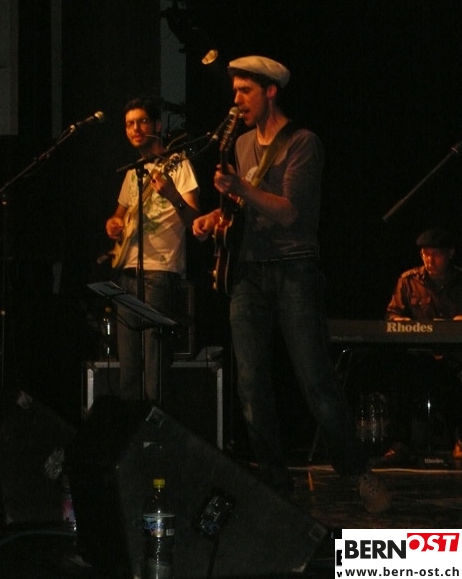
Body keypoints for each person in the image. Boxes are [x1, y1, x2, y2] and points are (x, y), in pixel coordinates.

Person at [192, 55, 390, 513]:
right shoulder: (241, 143)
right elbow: (240, 209)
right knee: (250, 384)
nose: (237, 100)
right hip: (247, 272)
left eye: (245, 91)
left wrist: (240, 189)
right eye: (234, 91)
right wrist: (213, 217)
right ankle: (274, 486)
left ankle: (357, 470)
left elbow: (288, 212)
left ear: (271, 92)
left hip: (294, 268)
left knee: (316, 381)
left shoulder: (303, 142)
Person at [105, 97, 200, 405]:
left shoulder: (179, 163)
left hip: (159, 272)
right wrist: (113, 224)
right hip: (127, 273)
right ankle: (132, 429)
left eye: (141, 121)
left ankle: (157, 428)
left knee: (155, 368)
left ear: (157, 125)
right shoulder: (132, 172)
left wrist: (172, 194)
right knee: (129, 370)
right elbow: (119, 215)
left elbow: (195, 220)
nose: (135, 128)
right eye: (129, 124)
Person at [382, 227, 462, 463]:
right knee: (398, 372)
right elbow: (392, 315)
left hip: (455, 356)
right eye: (426, 254)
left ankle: (460, 438)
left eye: (436, 255)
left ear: (450, 254)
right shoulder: (408, 281)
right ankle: (401, 443)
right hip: (419, 355)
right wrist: (404, 323)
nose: (430, 261)